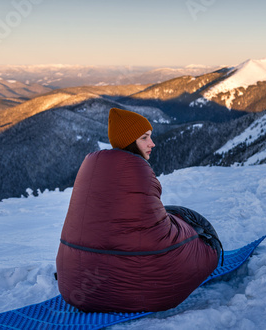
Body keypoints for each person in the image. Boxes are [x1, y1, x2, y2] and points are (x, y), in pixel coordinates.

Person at [56, 107, 221, 313]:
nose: (151, 143)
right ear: (129, 141)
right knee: (192, 224)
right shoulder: (137, 168)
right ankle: (210, 248)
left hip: (73, 285)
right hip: (147, 291)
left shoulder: (91, 164)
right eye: (144, 138)